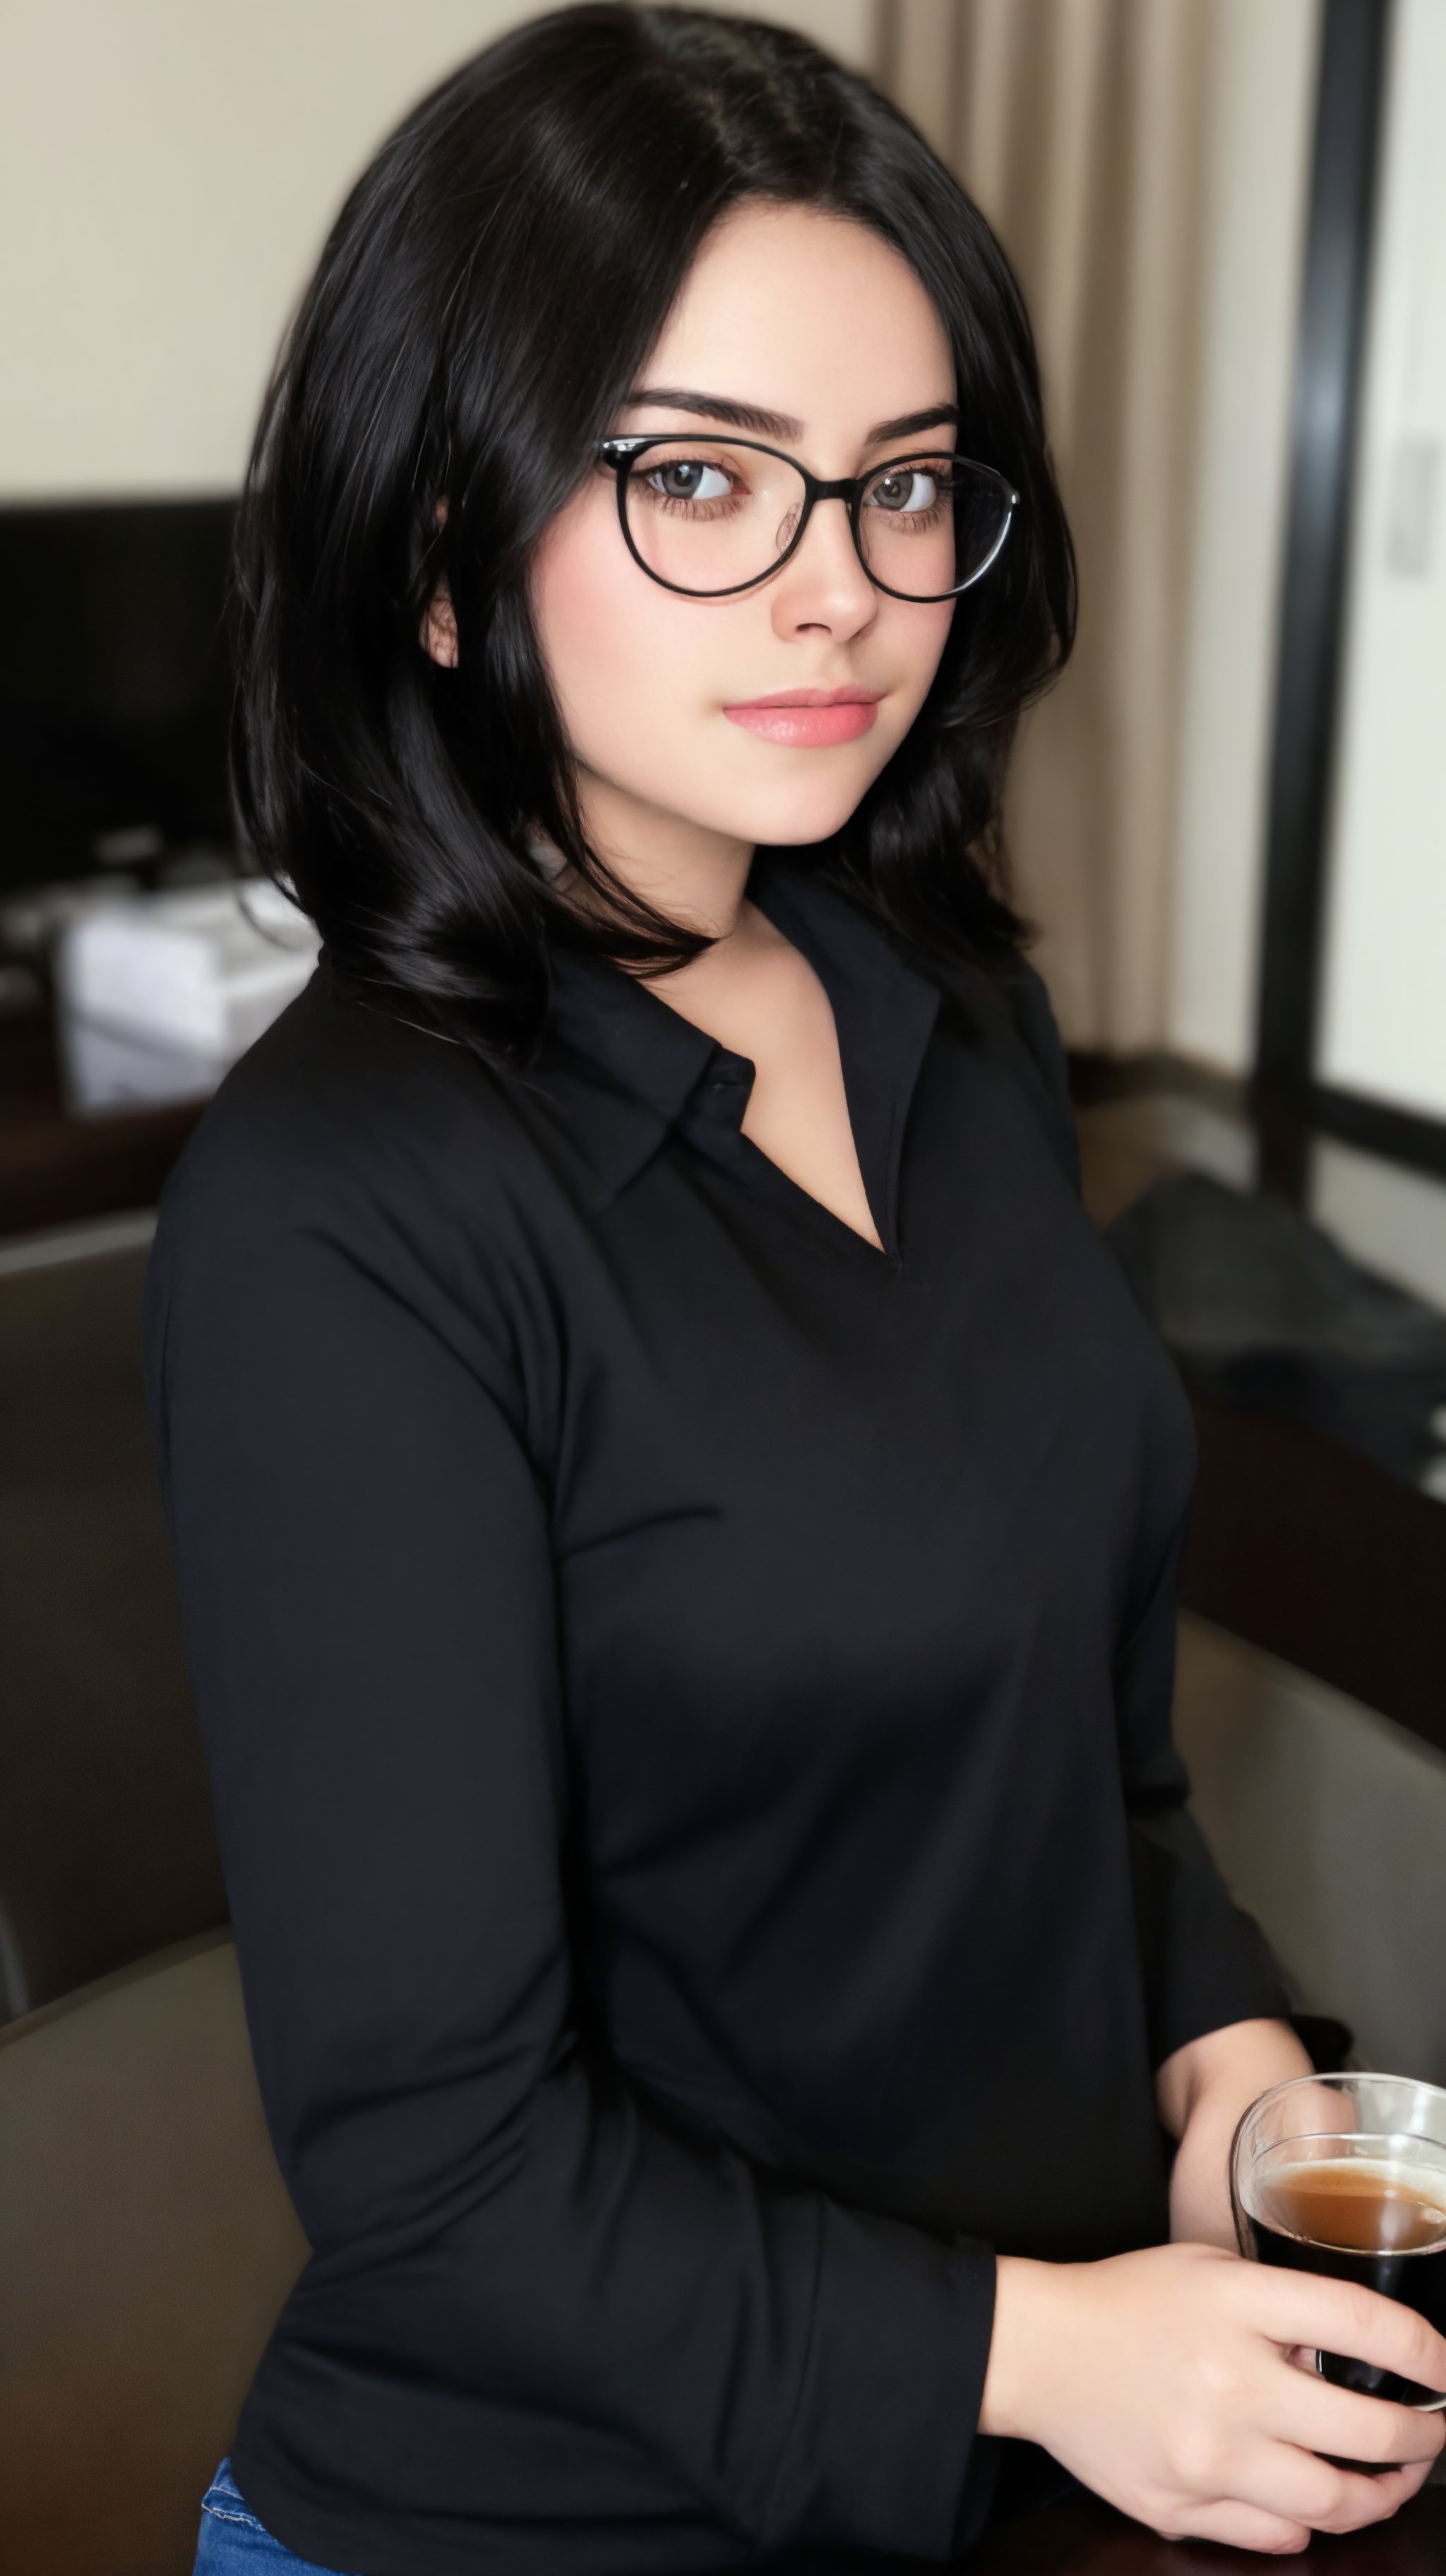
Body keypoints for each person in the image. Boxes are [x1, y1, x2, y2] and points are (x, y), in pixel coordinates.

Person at [147, 11, 1446, 2574]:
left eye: (905, 486)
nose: (843, 590)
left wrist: (1222, 2043)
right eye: (703, 482)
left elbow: (1079, 1724)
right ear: (435, 544)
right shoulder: (339, 1216)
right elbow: (437, 2160)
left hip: (1041, 2416)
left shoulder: (939, 1003)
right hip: (559, 2506)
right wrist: (1060, 2360)